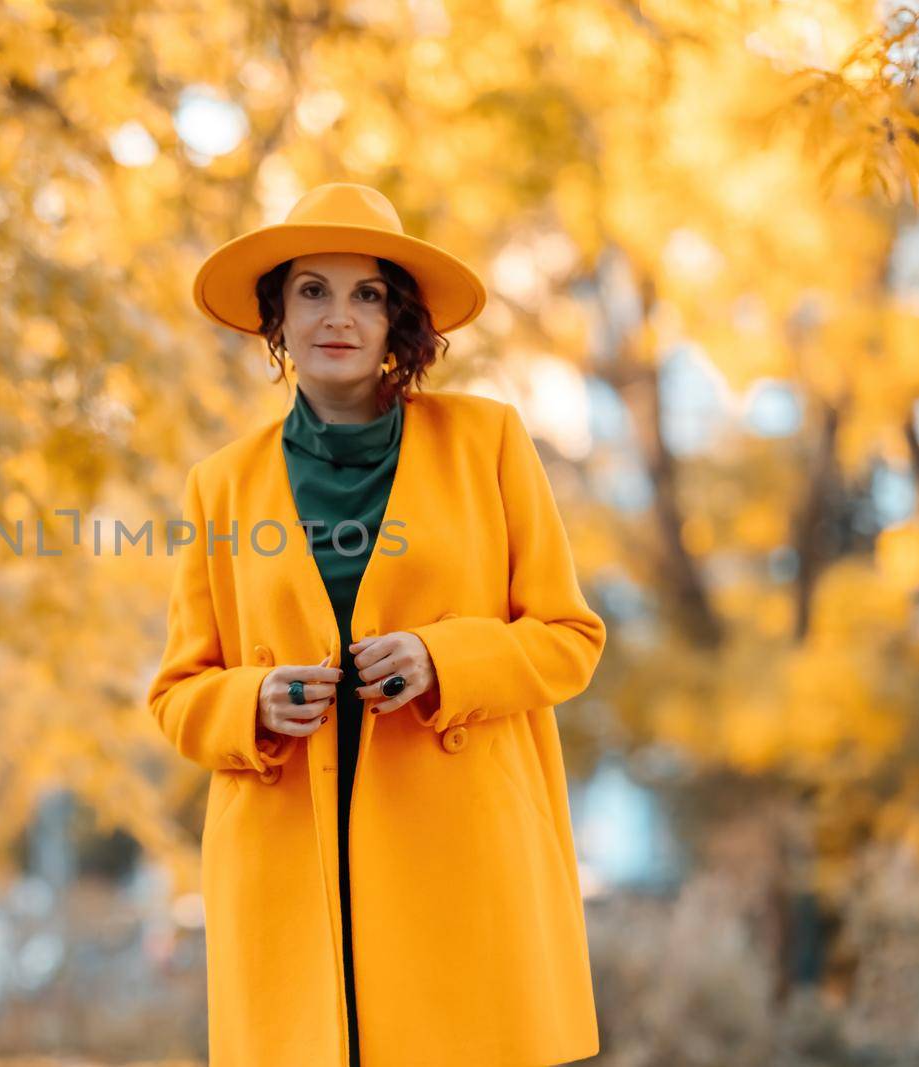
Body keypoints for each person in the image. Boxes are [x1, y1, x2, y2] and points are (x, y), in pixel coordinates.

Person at [145, 182, 608, 1066]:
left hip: (459, 854)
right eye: (313, 289)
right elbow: (177, 692)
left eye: (367, 293)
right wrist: (252, 701)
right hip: (288, 867)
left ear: (400, 318)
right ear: (276, 311)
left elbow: (569, 636)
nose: (339, 315)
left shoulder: (491, 441)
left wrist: (446, 658)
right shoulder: (223, 483)